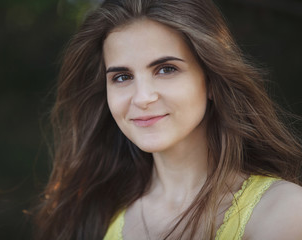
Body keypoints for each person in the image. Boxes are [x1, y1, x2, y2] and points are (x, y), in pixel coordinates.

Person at [34, 0, 302, 239]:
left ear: (211, 79)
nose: (142, 97)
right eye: (122, 77)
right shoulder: (98, 214)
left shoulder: (283, 212)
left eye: (166, 69)